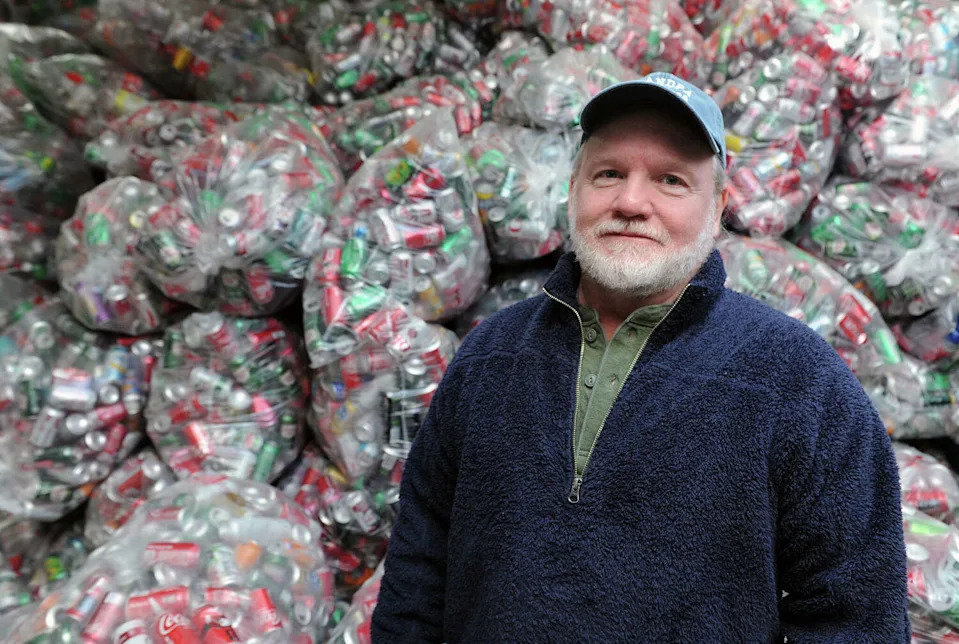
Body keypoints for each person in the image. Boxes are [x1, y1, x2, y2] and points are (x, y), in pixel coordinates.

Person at [371, 73, 909, 642]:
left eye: (670, 180)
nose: (631, 202)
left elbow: (857, 616)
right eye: (608, 174)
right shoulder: (489, 356)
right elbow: (418, 568)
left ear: (719, 205)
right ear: (573, 188)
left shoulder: (799, 382)